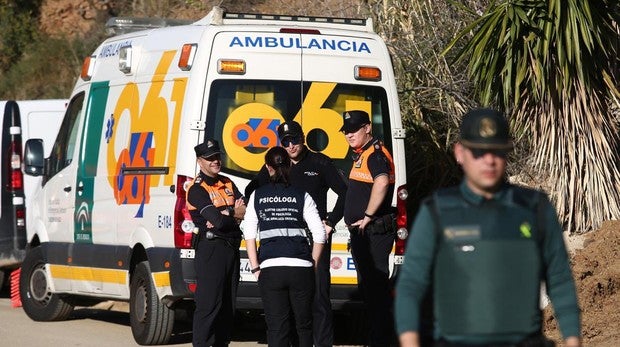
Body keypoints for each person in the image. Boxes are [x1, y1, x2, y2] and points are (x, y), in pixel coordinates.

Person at [395, 108, 582, 347]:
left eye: (497, 151)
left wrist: (573, 340)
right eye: (479, 152)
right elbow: (411, 285)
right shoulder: (437, 213)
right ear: (460, 153)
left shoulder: (535, 209)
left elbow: (560, 279)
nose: (489, 160)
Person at [245, 120, 347, 347]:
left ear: (303, 138)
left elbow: (345, 192)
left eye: (295, 140)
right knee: (286, 307)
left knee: (319, 297)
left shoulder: (319, 162)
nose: (291, 146)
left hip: (314, 242)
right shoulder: (277, 163)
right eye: (286, 142)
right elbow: (253, 189)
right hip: (285, 247)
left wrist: (330, 221)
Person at [244, 146, 326, 347]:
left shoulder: (257, 196)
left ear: (267, 167)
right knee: (304, 326)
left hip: (271, 269)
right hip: (301, 269)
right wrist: (313, 264)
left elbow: (249, 234)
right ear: (290, 165)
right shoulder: (302, 195)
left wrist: (255, 268)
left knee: (277, 327)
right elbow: (320, 234)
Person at [341, 110, 397, 347]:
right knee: (369, 290)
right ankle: (376, 338)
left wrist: (367, 216)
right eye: (346, 131)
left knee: (375, 290)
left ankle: (381, 340)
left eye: (354, 130)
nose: (349, 134)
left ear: (367, 128)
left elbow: (382, 181)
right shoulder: (362, 154)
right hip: (366, 234)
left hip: (374, 232)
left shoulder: (375, 154)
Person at [187, 138, 246, 347]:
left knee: (228, 307)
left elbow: (244, 210)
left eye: (217, 156)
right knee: (209, 305)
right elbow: (219, 221)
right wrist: (232, 212)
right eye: (210, 158)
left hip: (231, 249)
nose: (215, 161)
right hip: (211, 249)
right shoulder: (196, 189)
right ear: (199, 161)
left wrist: (226, 214)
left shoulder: (228, 183)